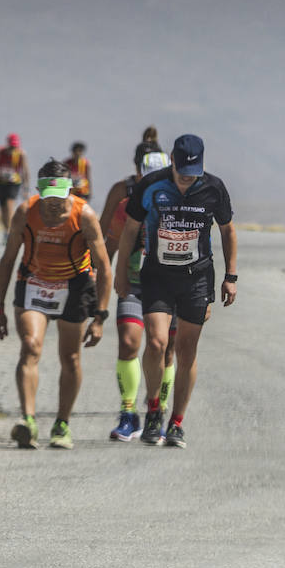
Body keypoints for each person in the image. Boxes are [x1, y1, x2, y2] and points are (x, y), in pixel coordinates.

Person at [113, 134, 237, 449]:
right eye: (181, 173)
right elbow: (129, 230)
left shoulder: (214, 188)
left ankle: (177, 422)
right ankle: (154, 408)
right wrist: (120, 275)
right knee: (155, 342)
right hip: (157, 275)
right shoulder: (151, 185)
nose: (186, 179)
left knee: (186, 351)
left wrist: (231, 275)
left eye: (192, 174)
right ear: (172, 161)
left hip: (196, 278)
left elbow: (227, 230)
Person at [0, 160, 112, 449]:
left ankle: (62, 424)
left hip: (74, 285)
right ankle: (28, 421)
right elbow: (8, 260)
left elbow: (104, 268)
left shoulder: (84, 215)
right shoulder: (25, 212)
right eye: (49, 200)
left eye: (60, 199)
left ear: (69, 192)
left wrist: (100, 317)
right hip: (33, 282)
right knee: (31, 346)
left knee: (70, 358)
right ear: (39, 193)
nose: (54, 206)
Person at [97, 143, 176, 441]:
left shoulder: (180, 197)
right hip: (133, 282)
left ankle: (159, 412)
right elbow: (107, 242)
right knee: (129, 344)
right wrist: (99, 275)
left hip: (170, 285)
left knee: (166, 348)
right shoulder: (125, 199)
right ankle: (128, 413)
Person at [0, 133, 30, 241]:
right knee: (2, 209)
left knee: (9, 204)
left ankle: (10, 230)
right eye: (11, 146)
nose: (13, 148)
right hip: (1, 183)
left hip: (14, 183)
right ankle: (6, 230)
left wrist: (26, 188)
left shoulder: (21, 154)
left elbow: (25, 171)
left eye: (15, 146)